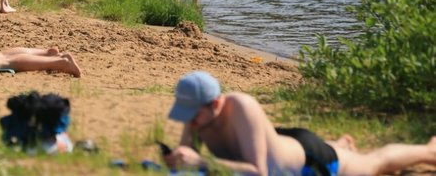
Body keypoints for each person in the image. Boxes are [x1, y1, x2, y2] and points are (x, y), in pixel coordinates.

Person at [164, 70, 436, 175]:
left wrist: (200, 162)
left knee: (375, 164)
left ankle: (428, 150)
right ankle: (341, 144)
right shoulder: (198, 116)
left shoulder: (242, 106)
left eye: (193, 114)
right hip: (280, 142)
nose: (189, 121)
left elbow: (259, 172)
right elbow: (186, 159)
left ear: (215, 103)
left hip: (310, 159)